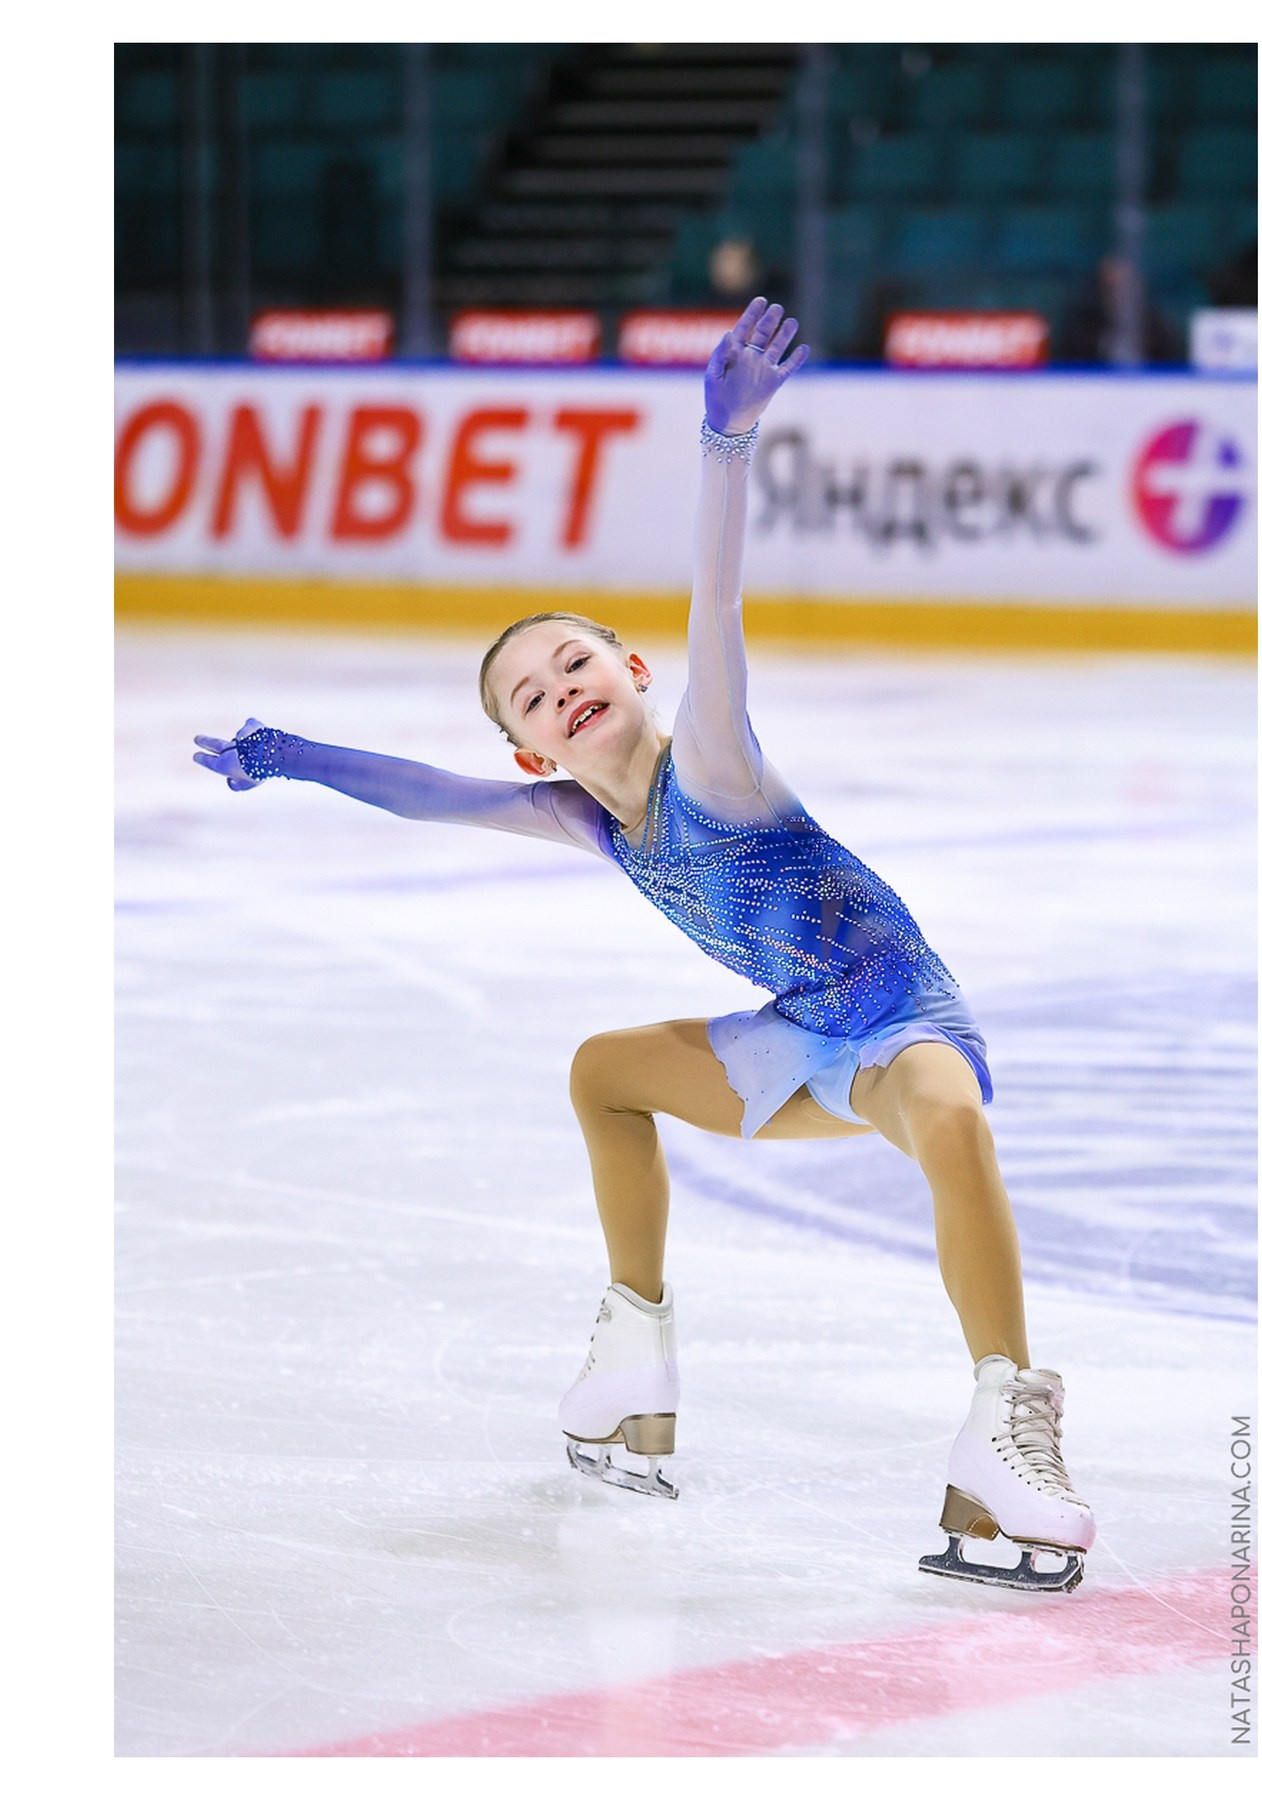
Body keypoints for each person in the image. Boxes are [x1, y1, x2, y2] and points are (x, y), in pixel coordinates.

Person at [191, 298, 1097, 1595]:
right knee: (604, 1073)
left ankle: (1006, 1427)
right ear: (533, 748)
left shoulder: (711, 761)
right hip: (800, 1038)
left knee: (953, 1120)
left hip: (899, 1024)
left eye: (574, 660)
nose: (560, 686)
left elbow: (716, 609)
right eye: (532, 696)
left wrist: (724, 442)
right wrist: (291, 758)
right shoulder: (582, 818)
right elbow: (425, 793)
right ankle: (635, 1360)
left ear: (626, 668)